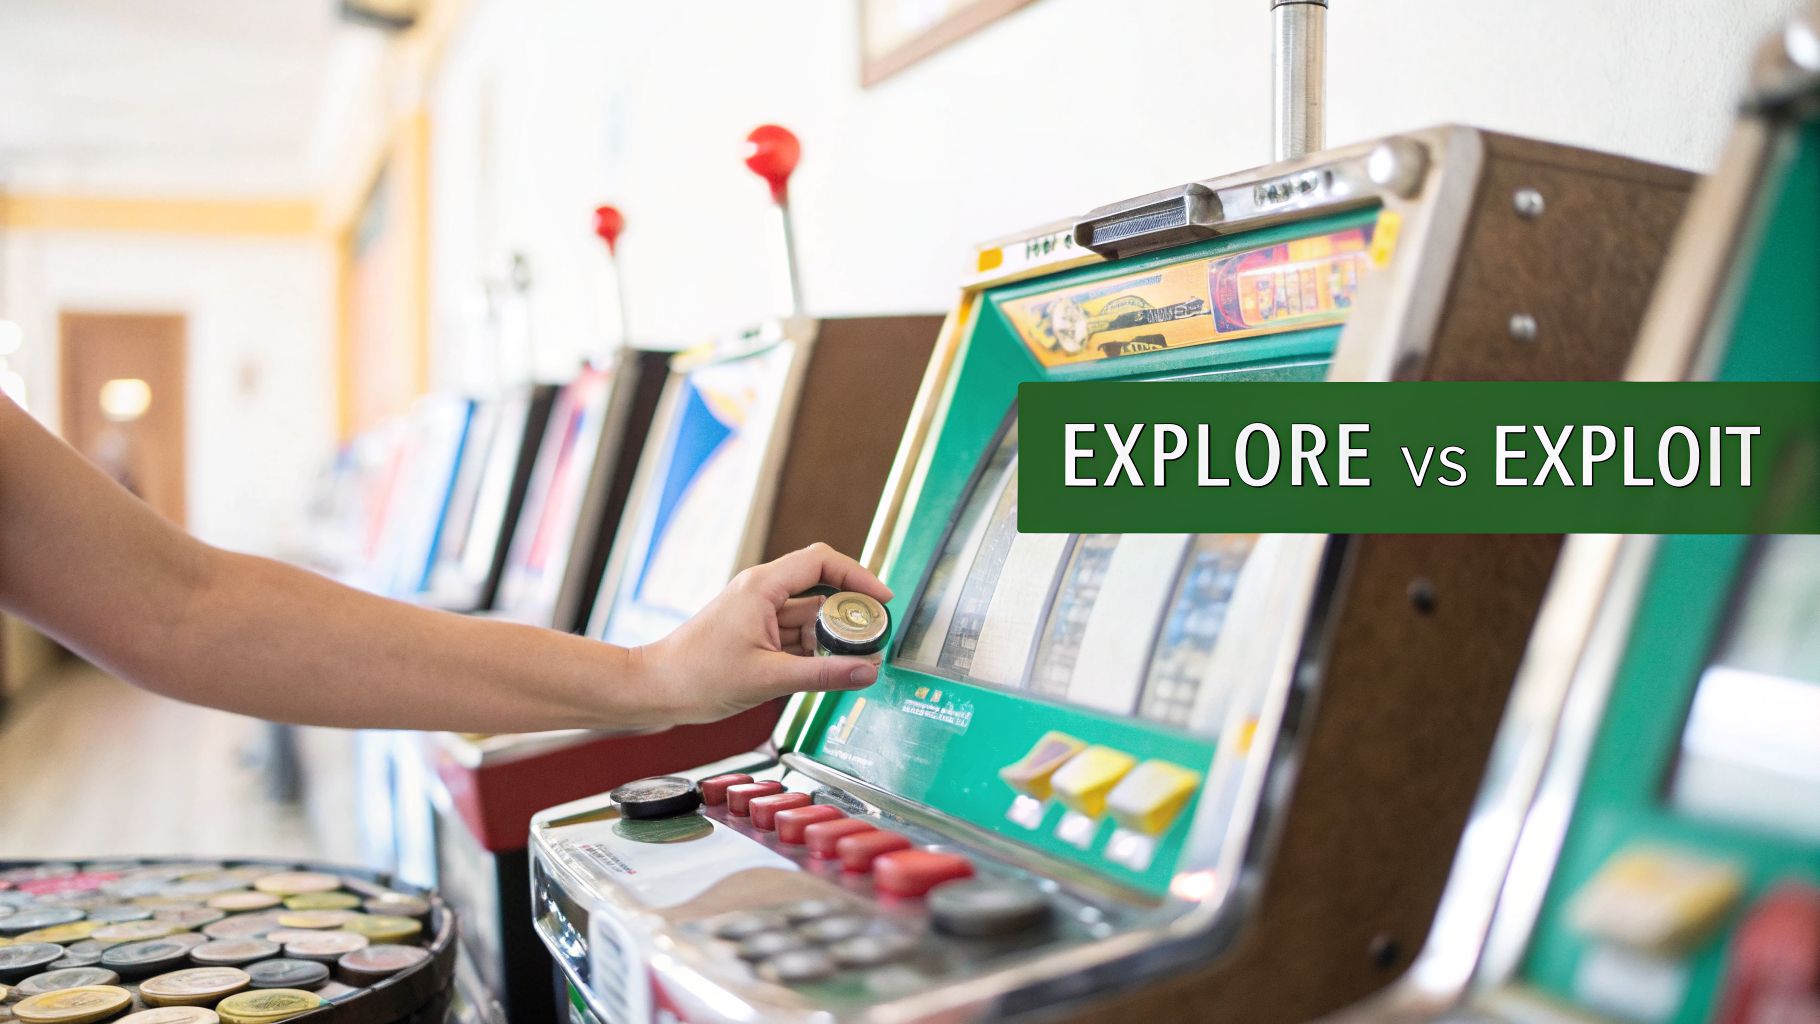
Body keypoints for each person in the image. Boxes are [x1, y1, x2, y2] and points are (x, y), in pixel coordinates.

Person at [0, 393, 887, 732]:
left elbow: (184, 609)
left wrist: (651, 671)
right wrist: (647, 674)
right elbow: (184, 609)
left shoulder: (1040, 402)